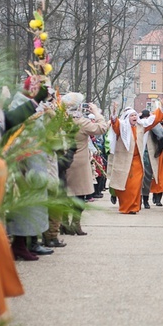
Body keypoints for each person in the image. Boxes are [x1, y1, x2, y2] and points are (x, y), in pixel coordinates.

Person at [108, 100, 163, 214]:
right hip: (124, 161)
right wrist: (114, 112)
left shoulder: (141, 126)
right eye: (132, 116)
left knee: (136, 185)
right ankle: (125, 207)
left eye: (135, 115)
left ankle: (134, 207)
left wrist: (161, 108)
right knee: (124, 185)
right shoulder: (122, 127)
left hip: (137, 161)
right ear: (127, 117)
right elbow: (115, 123)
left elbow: (153, 121)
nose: (134, 117)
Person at [63, 93, 109, 235]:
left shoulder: (61, 120)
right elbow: (101, 128)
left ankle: (63, 223)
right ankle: (75, 224)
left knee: (65, 194)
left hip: (63, 161)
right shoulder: (81, 122)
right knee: (79, 195)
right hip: (79, 161)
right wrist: (97, 112)